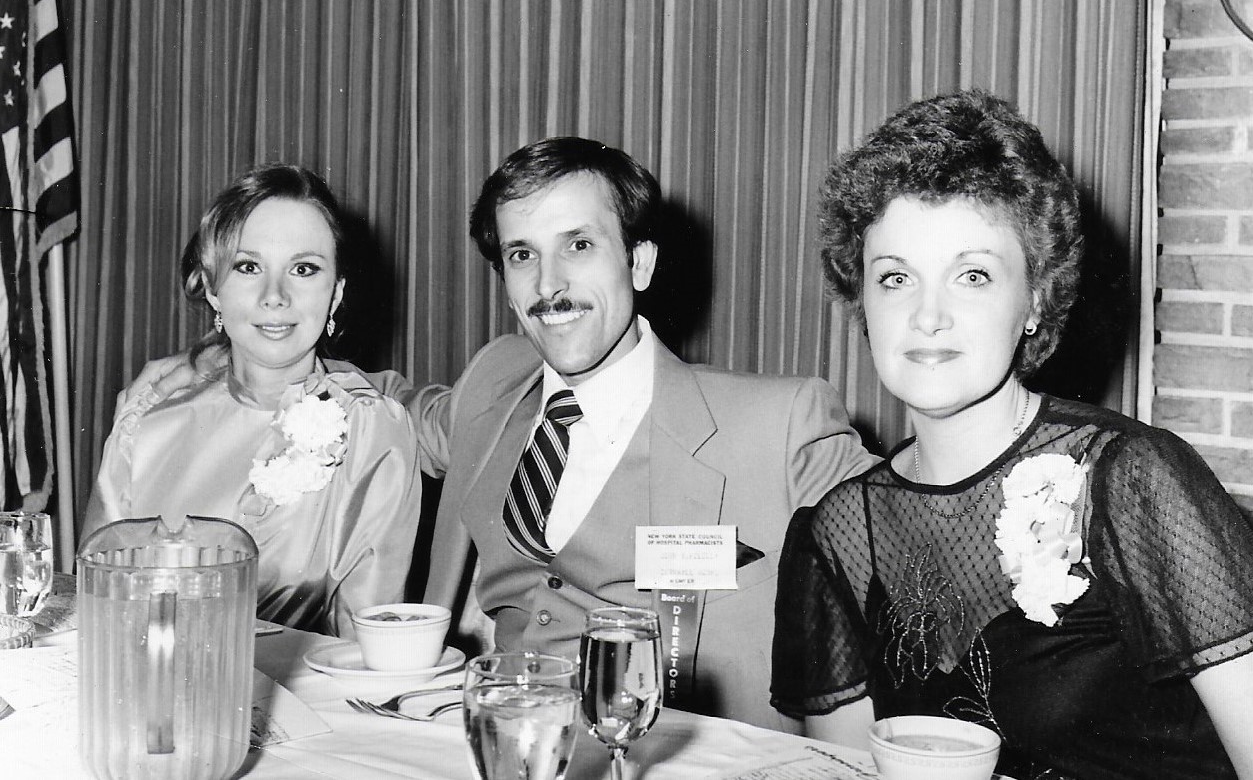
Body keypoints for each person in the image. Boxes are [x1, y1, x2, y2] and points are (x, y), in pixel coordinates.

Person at [126, 137, 875, 732]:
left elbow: (911, 534)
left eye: (578, 245)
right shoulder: (495, 387)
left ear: (638, 261)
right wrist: (216, 363)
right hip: (491, 744)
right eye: (522, 255)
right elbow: (380, 401)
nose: (548, 282)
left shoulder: (775, 423)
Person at [771, 90, 1253, 779]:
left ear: (1032, 300)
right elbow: (847, 768)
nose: (927, 315)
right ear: (862, 301)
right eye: (895, 278)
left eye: (971, 275)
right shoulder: (837, 532)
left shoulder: (1129, 478)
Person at [84, 164, 422, 638]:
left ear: (337, 292)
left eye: (303, 270)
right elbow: (95, 608)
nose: (275, 296)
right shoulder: (147, 419)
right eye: (248, 267)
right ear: (213, 287)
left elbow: (364, 646)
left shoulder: (372, 431)